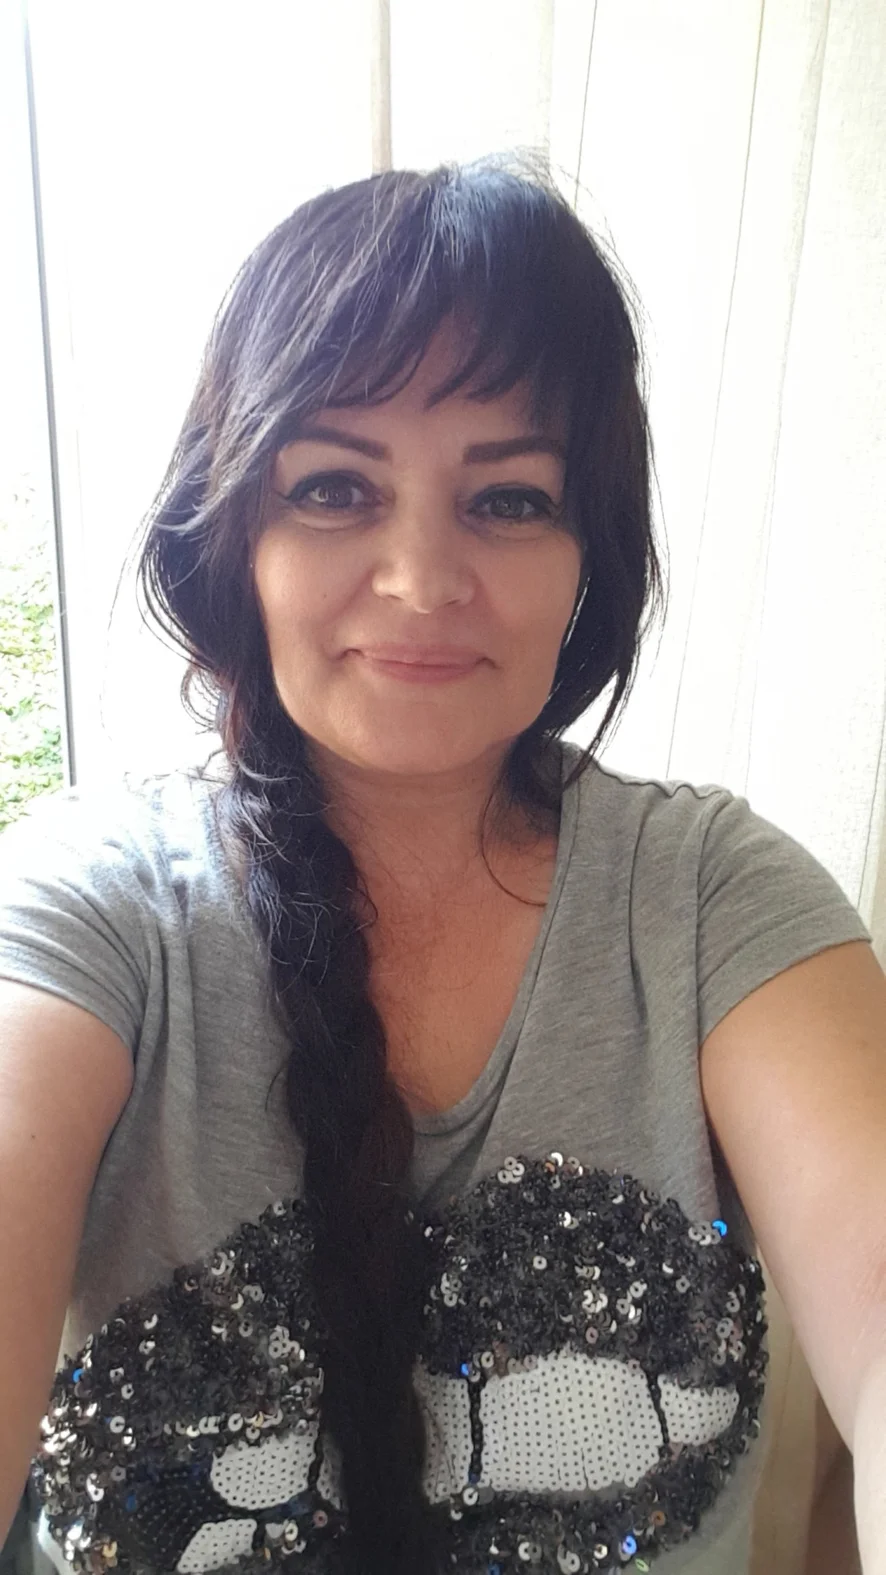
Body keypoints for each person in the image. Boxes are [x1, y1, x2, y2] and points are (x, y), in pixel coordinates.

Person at [0, 156, 884, 1575]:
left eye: (510, 499)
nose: (419, 577)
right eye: (334, 487)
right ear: (235, 538)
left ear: (590, 555)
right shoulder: (90, 910)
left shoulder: (717, 901)